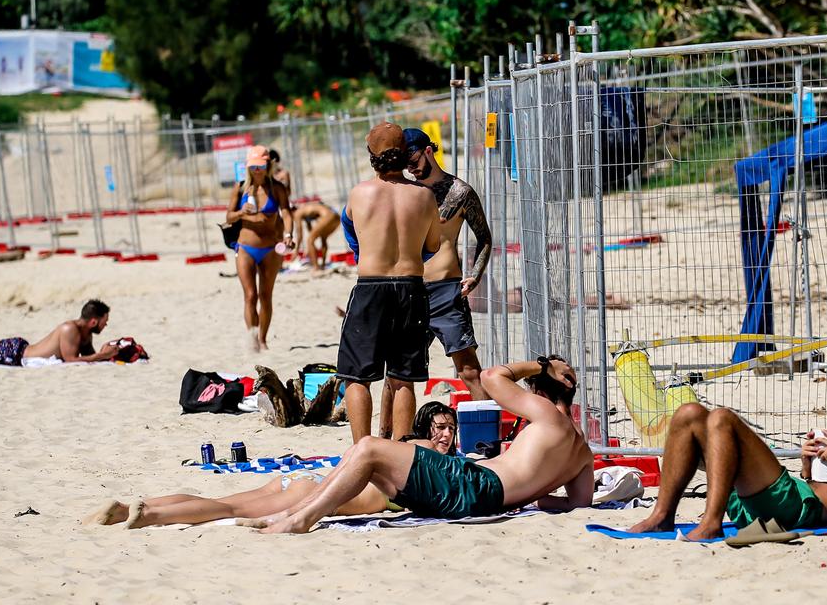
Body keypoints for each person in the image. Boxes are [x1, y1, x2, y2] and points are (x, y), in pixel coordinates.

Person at [240, 356, 593, 534]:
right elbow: (578, 502)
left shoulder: (549, 417)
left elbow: (491, 377)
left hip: (473, 486)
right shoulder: (582, 452)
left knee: (368, 448)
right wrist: (529, 492)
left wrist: (542, 365)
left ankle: (300, 519)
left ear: (542, 387)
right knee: (362, 457)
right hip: (482, 495)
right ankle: (293, 512)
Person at [85, 402, 460, 529]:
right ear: (423, 430)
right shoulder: (422, 453)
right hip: (310, 490)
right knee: (226, 509)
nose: (445, 436)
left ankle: (130, 508)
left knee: (224, 501)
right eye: (439, 427)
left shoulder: (401, 452)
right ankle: (149, 515)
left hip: (305, 482)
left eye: (450, 429)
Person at [627, 401, 827, 541]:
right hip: (776, 499)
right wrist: (809, 466)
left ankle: (712, 522)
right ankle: (662, 516)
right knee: (688, 413)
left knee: (722, 418)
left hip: (792, 506)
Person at [336, 122, 441, 443]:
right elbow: (433, 246)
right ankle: (400, 449)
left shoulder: (360, 193)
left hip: (372, 286)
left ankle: (361, 450)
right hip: (411, 287)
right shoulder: (424, 197)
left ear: (372, 156)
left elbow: (352, 232)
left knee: (357, 377)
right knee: (402, 378)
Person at [400, 128, 493, 400]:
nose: (411, 169)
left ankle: (488, 440)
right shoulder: (405, 192)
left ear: (428, 150)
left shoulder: (459, 192)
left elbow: (484, 237)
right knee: (398, 374)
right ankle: (390, 439)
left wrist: (475, 276)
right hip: (410, 288)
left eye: (414, 161)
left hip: (445, 290)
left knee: (468, 371)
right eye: (405, 165)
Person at [226, 145, 294, 352]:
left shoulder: (277, 188)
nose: (257, 170)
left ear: (268, 165)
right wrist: (240, 212)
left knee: (266, 295)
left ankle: (263, 340)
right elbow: (228, 217)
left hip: (270, 248)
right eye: (253, 166)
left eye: (260, 166)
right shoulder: (240, 188)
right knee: (250, 295)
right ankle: (252, 338)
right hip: (245, 247)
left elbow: (286, 213)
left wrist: (288, 235)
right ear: (248, 167)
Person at [292, 201, 339, 270]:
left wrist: (296, 251)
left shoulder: (297, 213)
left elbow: (300, 235)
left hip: (327, 216)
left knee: (309, 240)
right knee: (323, 238)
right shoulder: (305, 210)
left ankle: (316, 268)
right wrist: (312, 249)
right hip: (336, 217)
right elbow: (311, 231)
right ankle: (323, 265)